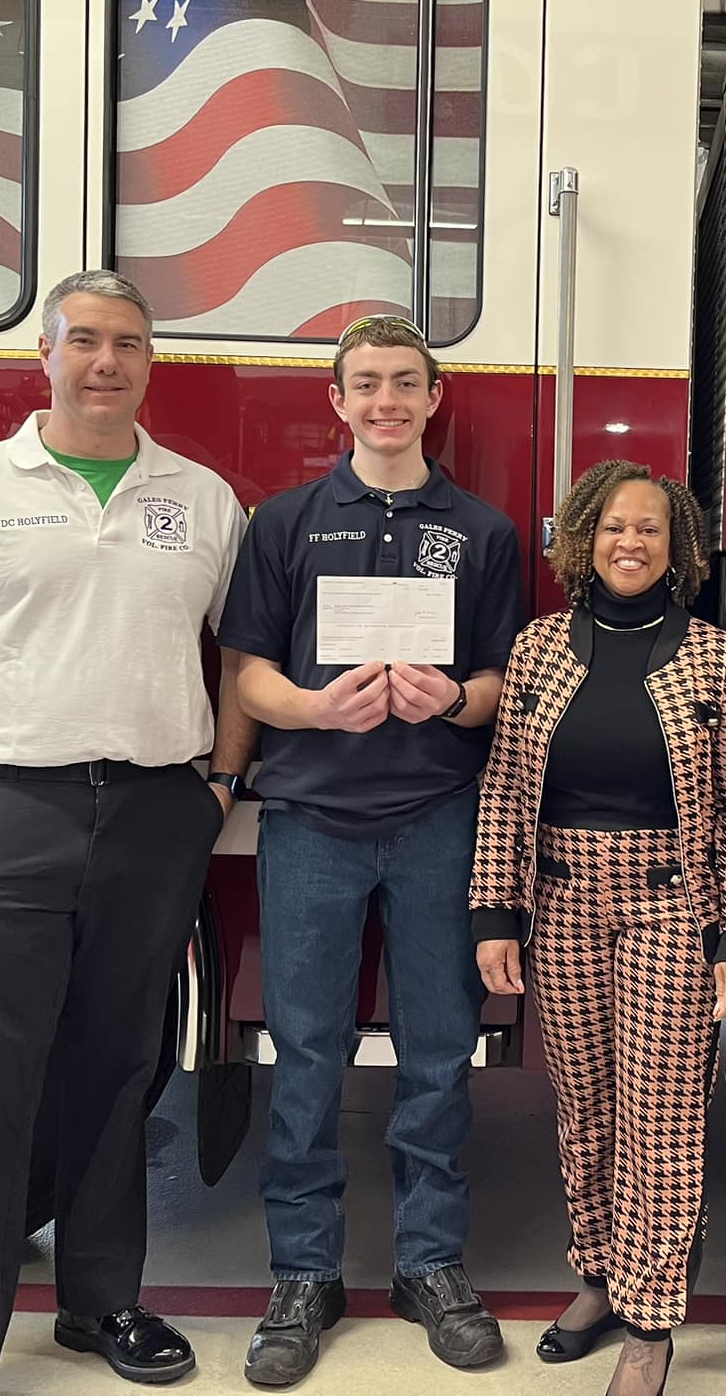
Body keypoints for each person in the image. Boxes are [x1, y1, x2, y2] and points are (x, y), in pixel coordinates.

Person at [0, 270, 254, 1396]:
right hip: (3, 810)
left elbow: (238, 656)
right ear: (45, 354)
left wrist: (219, 782)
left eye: (127, 343)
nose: (105, 362)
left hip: (151, 815)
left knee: (118, 1069)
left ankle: (100, 1302)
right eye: (83, 340)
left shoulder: (201, 497)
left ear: (148, 360)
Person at [218, 314, 522, 1388]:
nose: (386, 400)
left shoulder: (483, 532)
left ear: (434, 399)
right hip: (310, 824)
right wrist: (307, 706)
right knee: (305, 1055)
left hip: (441, 820)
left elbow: (500, 682)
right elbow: (246, 668)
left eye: (405, 382)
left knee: (439, 1054)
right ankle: (302, 1274)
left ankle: (428, 1263)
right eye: (365, 384)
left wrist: (451, 699)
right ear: (336, 403)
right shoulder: (288, 523)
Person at [470, 460, 726, 1396]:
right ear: (581, 540)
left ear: (677, 545)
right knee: (586, 1107)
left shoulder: (717, 656)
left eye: (649, 528)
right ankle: (597, 1278)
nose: (629, 543)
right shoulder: (538, 647)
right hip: (560, 899)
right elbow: (508, 787)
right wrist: (494, 912)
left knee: (663, 1116)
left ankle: (652, 1320)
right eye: (610, 527)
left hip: (671, 902)